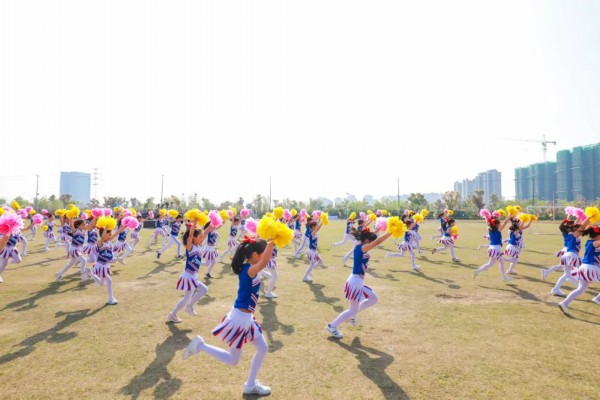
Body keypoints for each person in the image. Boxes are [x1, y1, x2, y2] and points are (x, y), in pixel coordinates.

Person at [182, 238, 276, 396]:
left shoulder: (250, 267)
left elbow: (263, 258)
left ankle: (250, 385)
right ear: (255, 255)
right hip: (239, 320)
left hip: (247, 318)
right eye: (263, 252)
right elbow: (265, 261)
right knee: (233, 360)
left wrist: (268, 238)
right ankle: (200, 346)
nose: (267, 255)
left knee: (262, 348)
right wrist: (273, 242)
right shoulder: (250, 270)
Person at [326, 228, 392, 339]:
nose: (371, 243)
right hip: (355, 281)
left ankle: (352, 315)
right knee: (351, 310)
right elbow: (377, 242)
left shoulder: (360, 244)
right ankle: (332, 326)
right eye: (370, 241)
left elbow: (371, 237)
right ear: (366, 240)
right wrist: (391, 232)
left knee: (373, 299)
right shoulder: (362, 247)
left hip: (357, 280)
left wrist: (378, 230)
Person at [167, 222, 213, 323]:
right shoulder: (190, 247)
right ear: (193, 238)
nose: (202, 238)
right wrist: (194, 224)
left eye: (202, 237)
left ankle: (172, 314)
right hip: (189, 276)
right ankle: (189, 306)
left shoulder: (198, 245)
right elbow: (190, 236)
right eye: (200, 237)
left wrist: (212, 224)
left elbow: (205, 232)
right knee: (204, 289)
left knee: (186, 299)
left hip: (192, 276)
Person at [558, 224, 600, 315]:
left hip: (585, 267)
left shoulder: (590, 242)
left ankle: (564, 303)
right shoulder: (594, 243)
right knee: (580, 288)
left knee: (581, 289)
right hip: (591, 267)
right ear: (597, 235)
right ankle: (598, 299)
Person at [474, 214, 512, 281]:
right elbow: (505, 222)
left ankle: (477, 271)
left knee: (490, 264)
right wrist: (510, 214)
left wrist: (487, 217)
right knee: (501, 262)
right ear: (497, 225)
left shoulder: (490, 229)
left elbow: (489, 223)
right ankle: (504, 277)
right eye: (499, 223)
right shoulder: (498, 230)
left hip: (492, 248)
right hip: (496, 249)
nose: (501, 224)